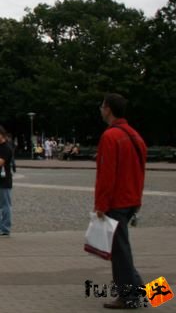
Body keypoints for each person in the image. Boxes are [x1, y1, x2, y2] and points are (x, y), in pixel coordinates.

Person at [95, 93, 147, 309]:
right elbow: (141, 170)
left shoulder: (111, 136)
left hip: (117, 201)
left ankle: (130, 296)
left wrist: (101, 204)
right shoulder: (134, 135)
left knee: (120, 252)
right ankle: (142, 292)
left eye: (102, 105)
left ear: (108, 108)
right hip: (131, 198)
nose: (100, 109)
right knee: (121, 249)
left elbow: (107, 175)